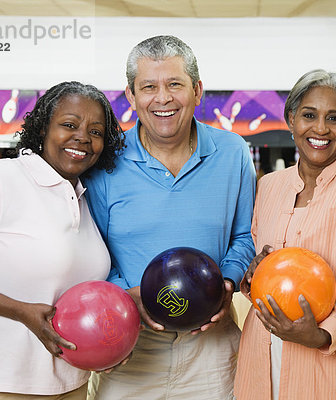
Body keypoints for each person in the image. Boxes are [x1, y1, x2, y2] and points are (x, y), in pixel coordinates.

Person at [84, 35, 256, 399]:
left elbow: (245, 236)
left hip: (212, 345)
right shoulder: (104, 162)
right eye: (149, 87)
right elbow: (91, 248)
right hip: (129, 341)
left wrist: (226, 282)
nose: (162, 98)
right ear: (131, 96)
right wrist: (126, 295)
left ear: (197, 90)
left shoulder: (233, 153)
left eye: (175, 84)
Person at [0, 81, 125, 399]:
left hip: (72, 383)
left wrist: (108, 344)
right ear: (43, 129)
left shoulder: (83, 196)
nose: (82, 136)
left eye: (95, 132)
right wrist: (19, 310)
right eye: (69, 124)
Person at [234, 69, 336, 400]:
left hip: (332, 361)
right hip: (261, 351)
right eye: (309, 115)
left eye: (334, 118)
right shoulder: (268, 186)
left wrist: (323, 334)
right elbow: (259, 260)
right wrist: (250, 275)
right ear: (291, 118)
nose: (320, 129)